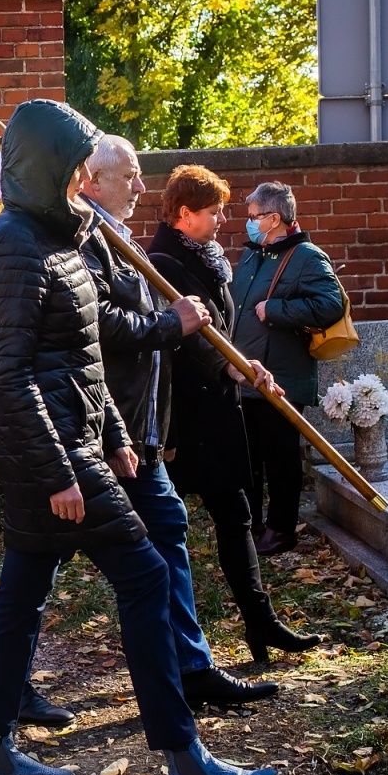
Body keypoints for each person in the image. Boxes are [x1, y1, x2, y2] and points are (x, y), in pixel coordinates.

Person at [0, 99, 276, 775]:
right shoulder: (15, 241)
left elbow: (83, 359)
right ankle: (185, 758)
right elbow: (9, 374)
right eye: (78, 159)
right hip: (49, 457)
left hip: (76, 445)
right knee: (144, 577)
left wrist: (114, 435)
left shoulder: (55, 237)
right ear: (50, 163)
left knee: (22, 594)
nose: (87, 171)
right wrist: (60, 470)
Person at [78, 137, 279, 709]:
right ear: (93, 180)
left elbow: (189, 332)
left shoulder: (114, 236)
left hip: (135, 426)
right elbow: (109, 327)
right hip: (108, 424)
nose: (143, 187)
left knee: (163, 529)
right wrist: (171, 324)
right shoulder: (88, 237)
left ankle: (190, 670)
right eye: (132, 176)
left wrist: (236, 366)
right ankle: (176, 683)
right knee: (45, 557)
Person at [148, 165, 323, 666]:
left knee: (236, 514)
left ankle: (260, 623)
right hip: (181, 414)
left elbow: (221, 329)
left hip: (218, 408)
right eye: (214, 211)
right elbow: (179, 339)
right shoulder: (162, 262)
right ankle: (172, 645)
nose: (224, 220)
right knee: (164, 525)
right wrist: (228, 365)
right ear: (185, 215)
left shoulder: (207, 257)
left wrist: (245, 364)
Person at [229, 182, 345, 555]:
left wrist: (276, 310)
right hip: (247, 375)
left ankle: (280, 529)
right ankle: (252, 527)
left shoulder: (307, 256)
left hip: (282, 377)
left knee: (280, 457)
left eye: (253, 217)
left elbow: (331, 305)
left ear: (273, 218)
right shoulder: (252, 255)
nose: (248, 224)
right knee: (248, 459)